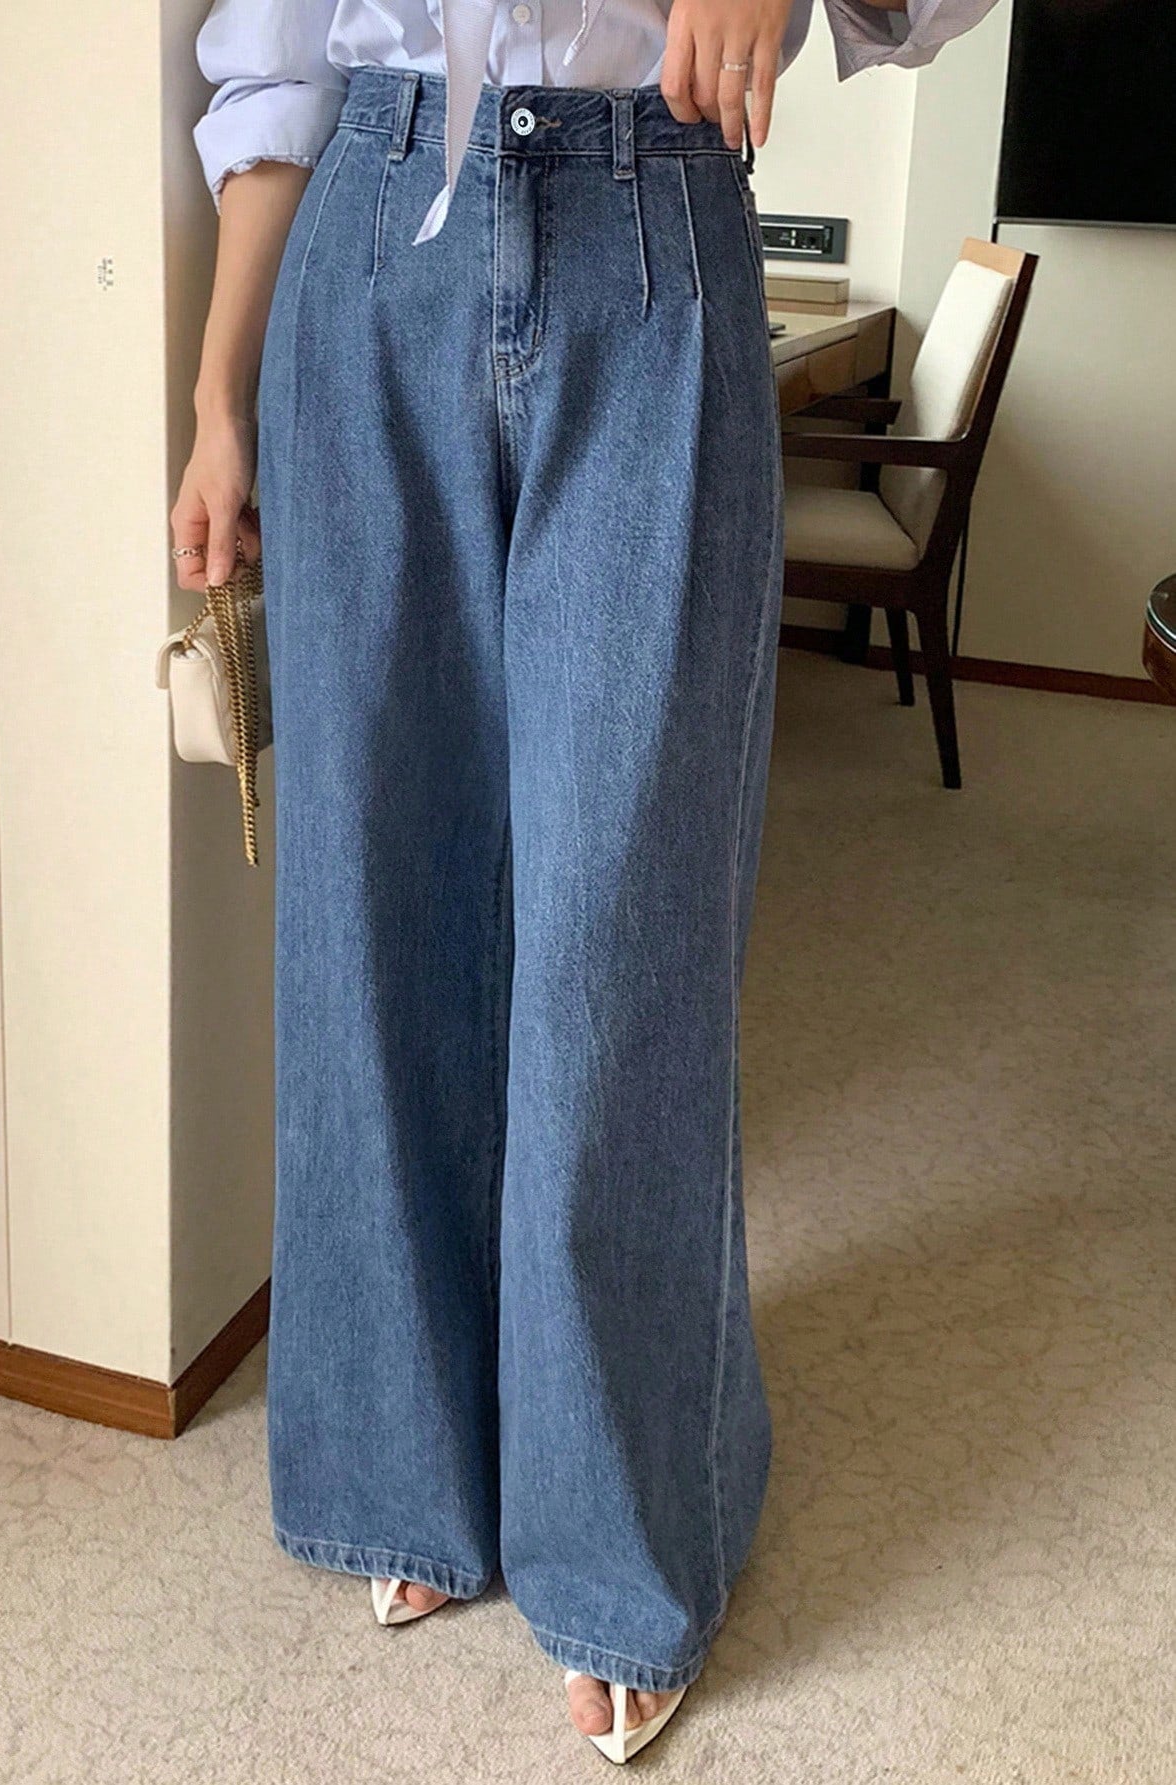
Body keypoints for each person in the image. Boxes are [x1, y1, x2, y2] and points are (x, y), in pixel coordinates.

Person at [173, 0, 997, 1759]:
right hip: (371, 233)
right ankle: (402, 1465)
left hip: (653, 224)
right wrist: (219, 392)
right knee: (370, 910)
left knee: (627, 931)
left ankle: (623, 1530)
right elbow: (281, 56)